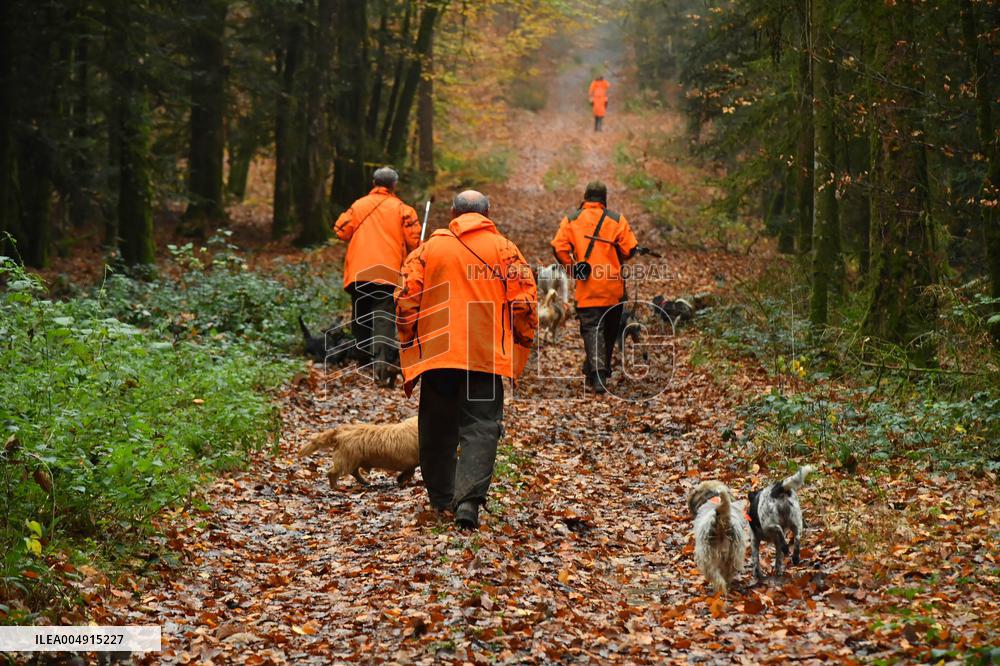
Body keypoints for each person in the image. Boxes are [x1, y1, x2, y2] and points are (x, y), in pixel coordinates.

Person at [395, 190, 537, 529]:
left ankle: (442, 498)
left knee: (436, 428)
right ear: (488, 212)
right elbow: (524, 304)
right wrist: (521, 339)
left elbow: (405, 301)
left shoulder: (428, 249)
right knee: (482, 427)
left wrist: (410, 339)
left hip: (438, 353)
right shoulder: (505, 250)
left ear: (453, 213)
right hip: (485, 357)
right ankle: (468, 502)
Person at [333, 167, 420, 387]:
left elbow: (341, 231)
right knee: (383, 319)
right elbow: (414, 242)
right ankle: (381, 367)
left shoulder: (358, 205)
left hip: (359, 273)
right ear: (394, 185)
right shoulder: (403, 210)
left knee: (360, 315)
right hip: (387, 273)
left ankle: (362, 363)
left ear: (374, 182)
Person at [550, 181, 639, 394]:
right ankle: (599, 372)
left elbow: (558, 248)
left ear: (585, 197)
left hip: (587, 288)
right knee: (608, 330)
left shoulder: (571, 219)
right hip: (613, 288)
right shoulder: (616, 219)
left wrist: (573, 270)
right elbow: (629, 250)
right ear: (604, 199)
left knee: (591, 328)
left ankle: (596, 372)